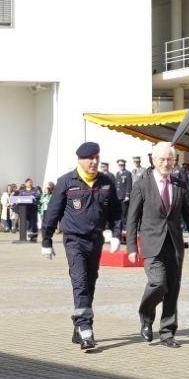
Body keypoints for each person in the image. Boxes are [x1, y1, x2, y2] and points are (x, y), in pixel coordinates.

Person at [40, 141, 122, 351]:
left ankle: (78, 324)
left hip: (96, 240)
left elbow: (116, 212)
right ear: (80, 160)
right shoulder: (67, 182)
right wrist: (47, 240)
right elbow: (52, 213)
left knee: (90, 282)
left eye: (97, 158)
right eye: (90, 158)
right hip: (74, 240)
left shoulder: (107, 182)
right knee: (80, 282)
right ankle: (86, 329)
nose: (94, 162)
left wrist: (115, 235)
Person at [122, 142, 189, 346]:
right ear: (153, 160)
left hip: (174, 245)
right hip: (151, 244)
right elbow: (132, 219)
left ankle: (167, 333)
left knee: (173, 289)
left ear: (174, 161)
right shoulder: (142, 185)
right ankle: (146, 317)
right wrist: (131, 247)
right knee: (158, 284)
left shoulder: (179, 184)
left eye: (170, 159)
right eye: (162, 159)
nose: (166, 163)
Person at [114, 158, 135, 242]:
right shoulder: (117, 173)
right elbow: (116, 186)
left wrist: (127, 195)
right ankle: (119, 233)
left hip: (124, 198)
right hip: (118, 197)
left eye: (122, 165)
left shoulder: (128, 173)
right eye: (119, 165)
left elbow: (129, 185)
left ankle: (125, 235)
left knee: (125, 215)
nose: (121, 166)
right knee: (119, 216)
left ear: (124, 165)